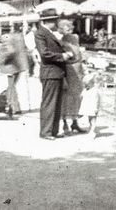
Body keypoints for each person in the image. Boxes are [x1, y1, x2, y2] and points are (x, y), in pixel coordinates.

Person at [35, 8, 74, 140]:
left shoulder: (50, 33)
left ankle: (54, 130)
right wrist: (62, 56)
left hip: (56, 72)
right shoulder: (41, 33)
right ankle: (45, 132)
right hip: (50, 72)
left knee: (56, 103)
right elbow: (44, 54)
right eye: (55, 20)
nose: (57, 23)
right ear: (49, 21)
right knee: (49, 103)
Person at [58, 19, 85, 134]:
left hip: (78, 71)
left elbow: (78, 53)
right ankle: (64, 123)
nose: (70, 28)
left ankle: (75, 122)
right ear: (60, 29)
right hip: (68, 71)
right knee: (66, 98)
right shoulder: (60, 42)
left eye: (70, 26)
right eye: (66, 26)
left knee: (77, 97)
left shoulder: (75, 38)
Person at [0, 32, 29, 117]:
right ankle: (14, 107)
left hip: (10, 67)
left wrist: (1, 59)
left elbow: (10, 51)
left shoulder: (6, 38)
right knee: (12, 86)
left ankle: (13, 107)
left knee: (11, 87)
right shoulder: (17, 37)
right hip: (17, 66)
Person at [79, 72, 102, 138]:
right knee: (89, 119)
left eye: (88, 84)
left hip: (93, 108)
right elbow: (81, 96)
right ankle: (91, 129)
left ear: (92, 83)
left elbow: (97, 100)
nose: (86, 86)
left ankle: (93, 131)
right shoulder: (85, 90)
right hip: (88, 108)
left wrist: (96, 108)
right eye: (85, 84)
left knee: (93, 120)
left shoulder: (95, 91)